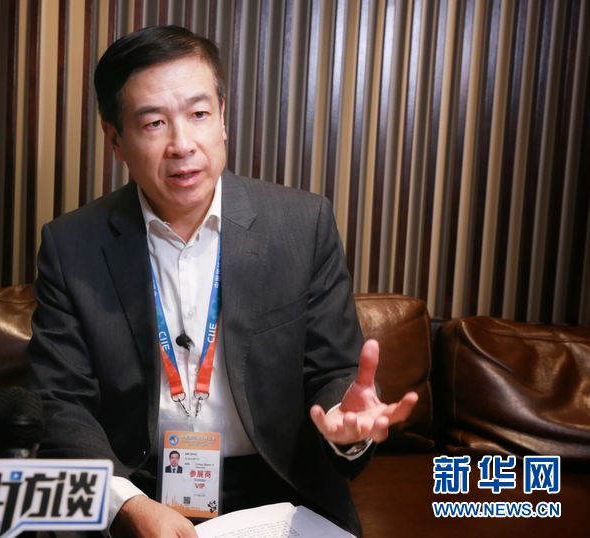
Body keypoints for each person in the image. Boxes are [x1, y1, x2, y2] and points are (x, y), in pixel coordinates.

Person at [29, 25, 418, 537]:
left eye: (199, 114)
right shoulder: (72, 245)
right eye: (154, 123)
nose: (182, 145)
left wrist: (347, 423)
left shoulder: (302, 226)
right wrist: (127, 506)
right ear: (115, 139)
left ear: (223, 118)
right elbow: (60, 402)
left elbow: (333, 372)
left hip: (277, 486)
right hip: (139, 487)